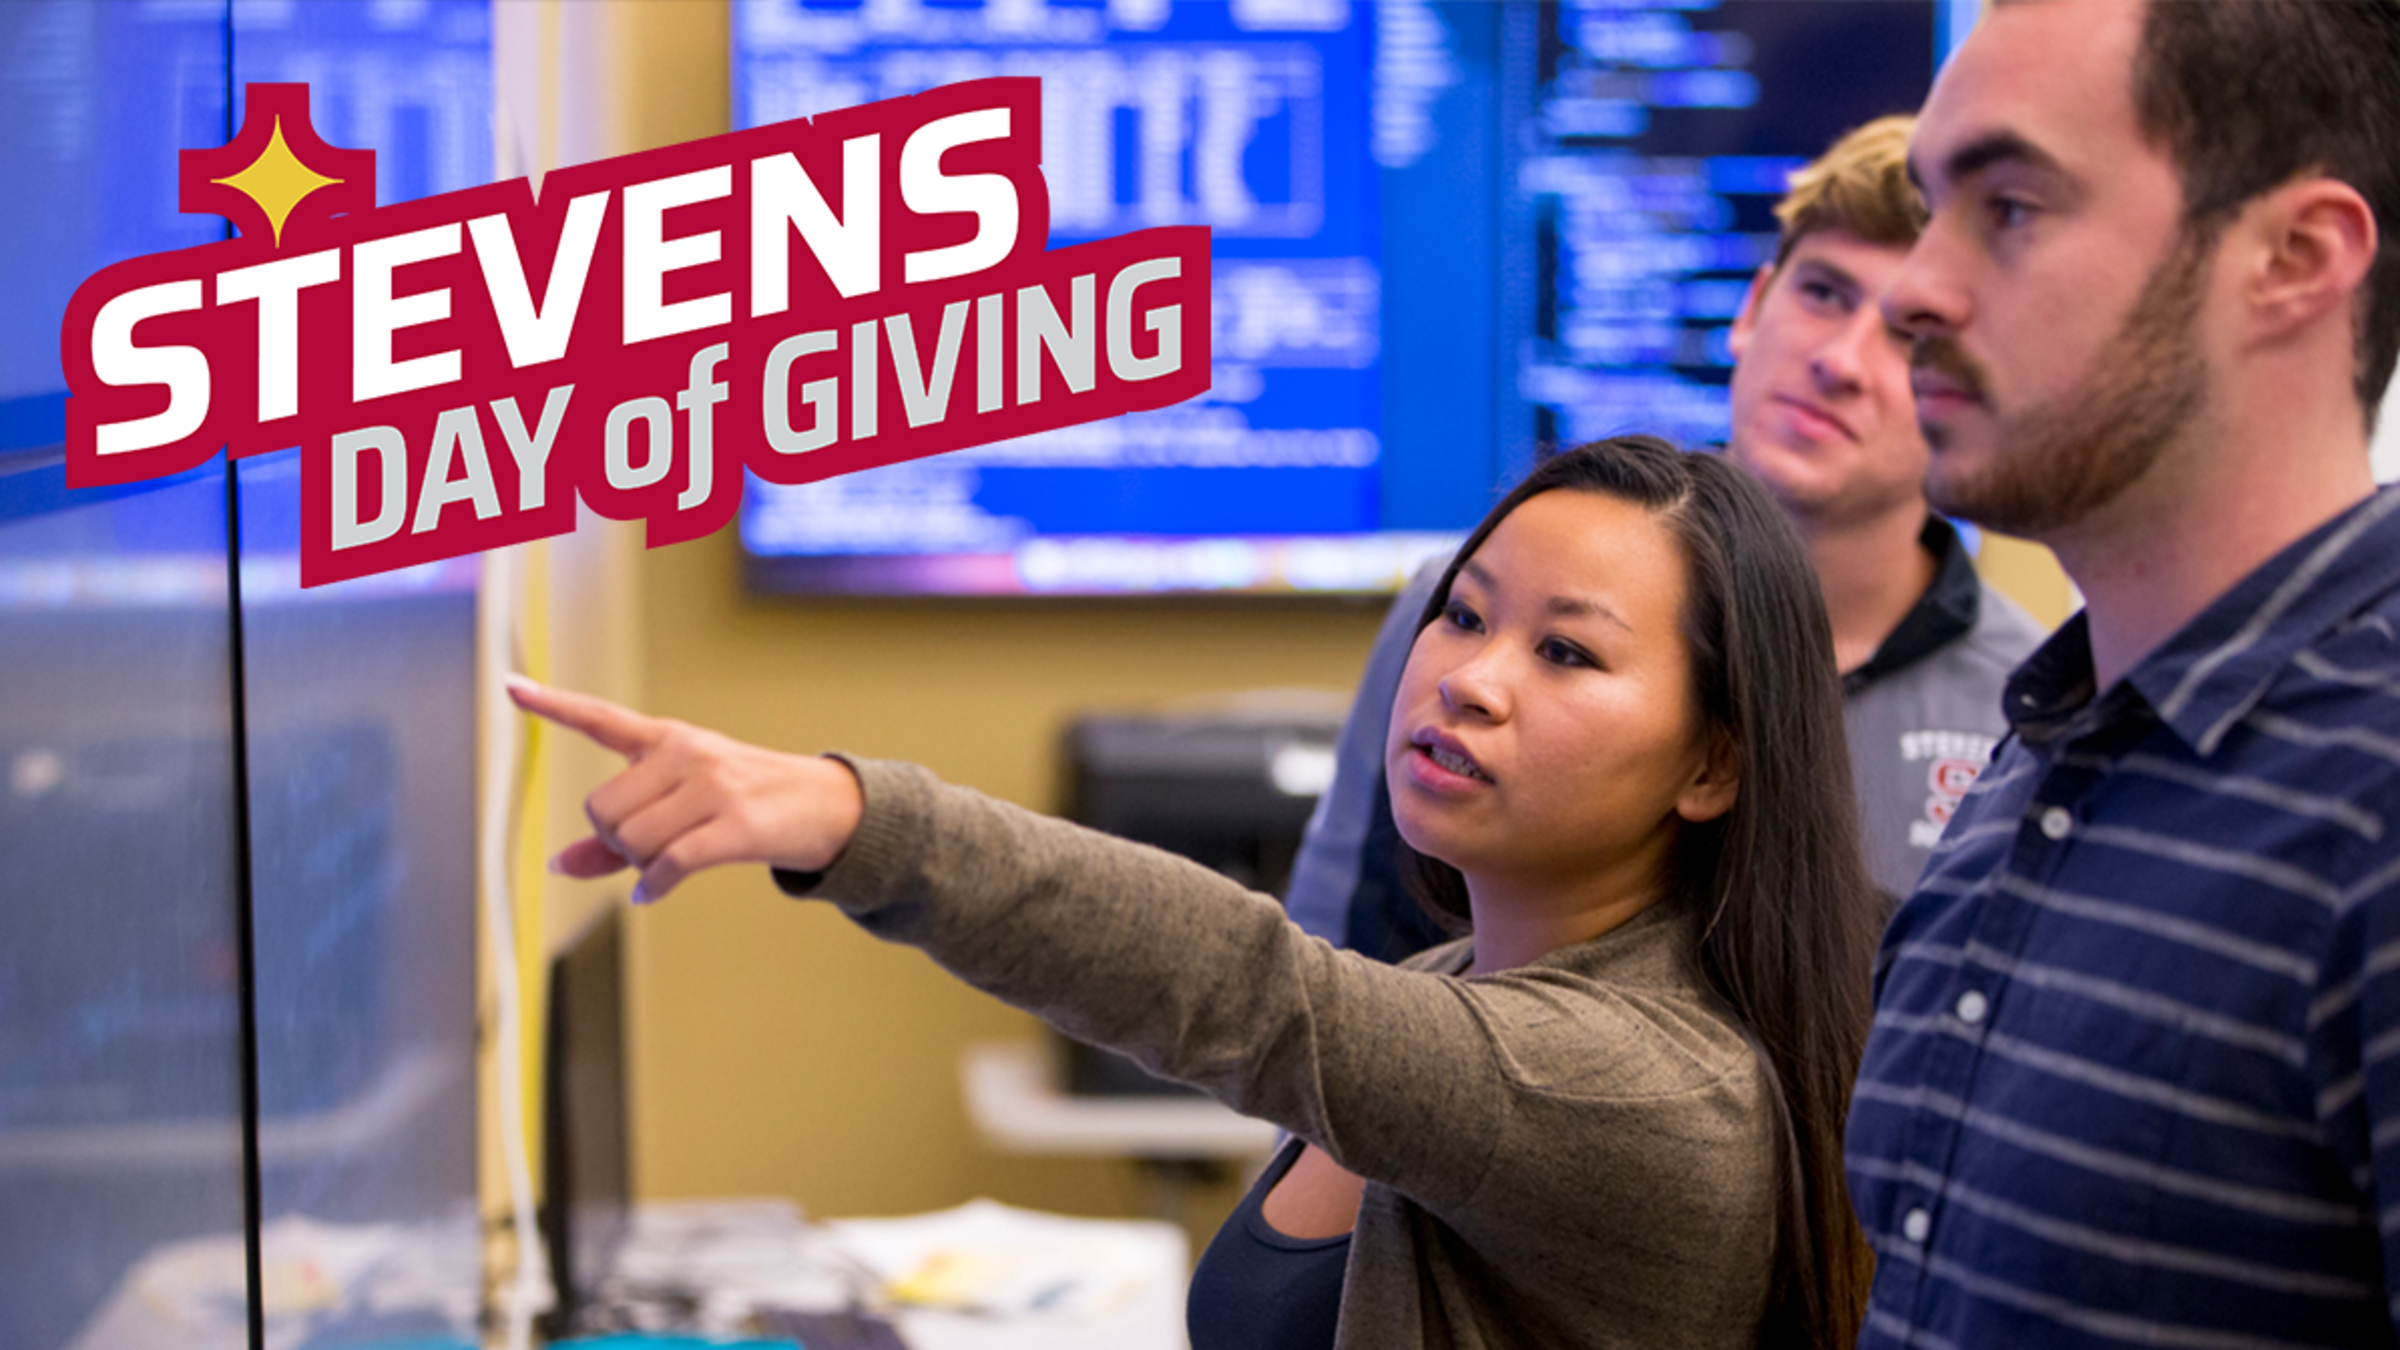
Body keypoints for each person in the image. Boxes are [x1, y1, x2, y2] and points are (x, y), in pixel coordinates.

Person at [513, 435, 1883, 1350]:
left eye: (1568, 652)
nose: (1469, 673)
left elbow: (1249, 986)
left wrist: (854, 814)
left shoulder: (1633, 1087)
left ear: (1713, 764)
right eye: (1462, 613)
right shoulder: (1451, 987)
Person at [1845, 1, 2400, 1345]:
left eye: (2013, 206)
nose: (1910, 287)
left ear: (2293, 257)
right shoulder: (2046, 750)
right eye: (1931, 207)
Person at [1286, 117, 2046, 966]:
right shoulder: (1468, 606)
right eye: (1823, 293)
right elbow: (1332, 995)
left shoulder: (2032, 705)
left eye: (1909, 333)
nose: (1841, 360)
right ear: (1753, 308)